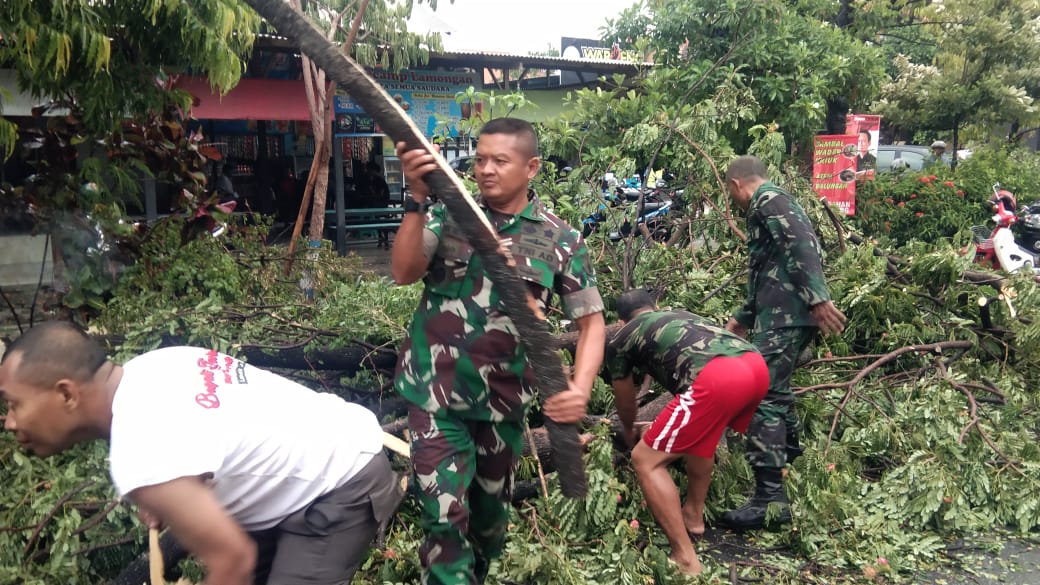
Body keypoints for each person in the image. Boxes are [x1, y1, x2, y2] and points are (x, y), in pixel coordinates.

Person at [0, 322, 400, 585]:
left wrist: (163, 486)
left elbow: (233, 561)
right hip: (317, 458)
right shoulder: (150, 367)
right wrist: (174, 491)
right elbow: (211, 439)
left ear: (67, 393)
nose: (9, 422)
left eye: (14, 404)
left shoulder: (140, 445)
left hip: (340, 479)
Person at [391, 117, 607, 585]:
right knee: (445, 522)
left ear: (531, 167)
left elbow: (591, 323)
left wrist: (580, 390)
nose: (485, 170)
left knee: (489, 529)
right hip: (434, 394)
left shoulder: (559, 239)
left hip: (503, 403)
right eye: (480, 159)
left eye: (500, 161)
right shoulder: (447, 214)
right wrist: (415, 199)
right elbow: (404, 271)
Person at [605, 289, 769, 576]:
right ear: (655, 306)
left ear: (620, 322)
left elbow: (625, 399)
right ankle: (693, 516)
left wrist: (631, 431)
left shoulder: (620, 337)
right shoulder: (678, 314)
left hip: (718, 377)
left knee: (645, 459)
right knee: (702, 436)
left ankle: (684, 557)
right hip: (754, 364)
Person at [722, 155, 847, 529]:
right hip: (779, 314)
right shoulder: (770, 203)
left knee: (762, 393)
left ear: (734, 185)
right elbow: (765, 272)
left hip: (787, 316)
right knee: (776, 389)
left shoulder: (767, 200)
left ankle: (769, 499)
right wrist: (741, 321)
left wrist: (818, 298)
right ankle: (792, 459)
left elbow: (803, 245)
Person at [366, 161, 393, 249]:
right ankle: (382, 239)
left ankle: (384, 239)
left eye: (370, 170)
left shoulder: (379, 180)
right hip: (379, 204)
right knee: (379, 222)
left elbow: (380, 194)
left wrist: (372, 194)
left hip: (381, 204)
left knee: (382, 222)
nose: (368, 171)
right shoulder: (373, 180)